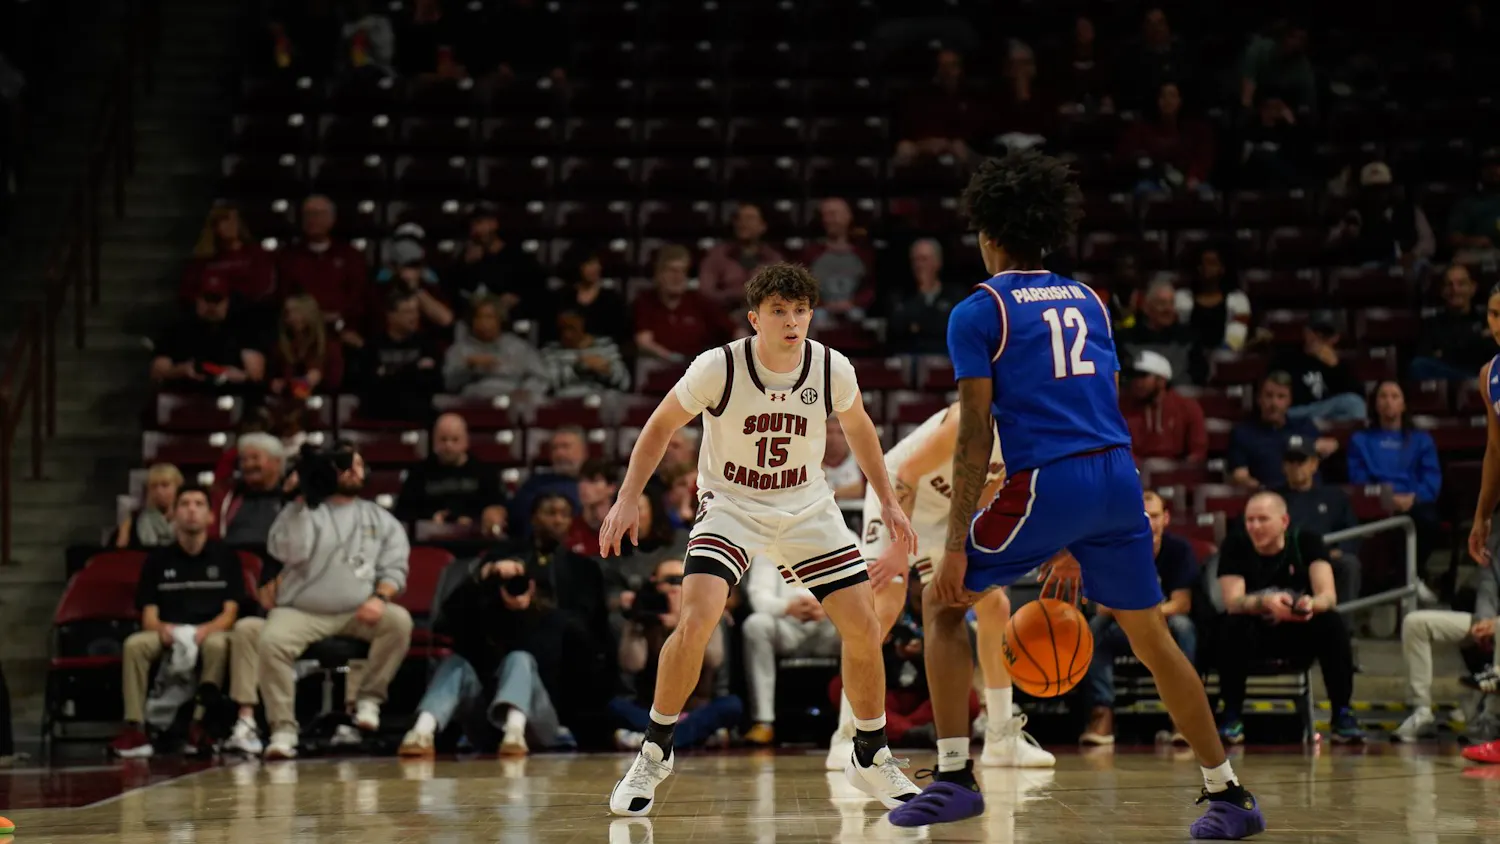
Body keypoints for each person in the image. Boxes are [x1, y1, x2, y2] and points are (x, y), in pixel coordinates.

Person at [891, 151, 1263, 838]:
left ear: (989, 234)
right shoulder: (1089, 298)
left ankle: (952, 778)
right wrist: (1075, 537)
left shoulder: (979, 310)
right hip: (1116, 475)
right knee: (1152, 638)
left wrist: (951, 547)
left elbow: (974, 435)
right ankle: (1230, 794)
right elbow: (1094, 399)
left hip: (1046, 480)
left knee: (941, 606)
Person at [601, 263, 922, 816]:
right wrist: (630, 495)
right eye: (779, 311)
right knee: (697, 618)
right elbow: (659, 425)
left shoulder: (830, 367)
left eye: (801, 311)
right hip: (732, 504)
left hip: (805, 505)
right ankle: (655, 751)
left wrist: (889, 499)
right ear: (756, 319)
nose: (792, 321)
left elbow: (861, 426)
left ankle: (868, 753)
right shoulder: (719, 366)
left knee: (864, 622)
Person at [837, 400, 1053, 774]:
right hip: (896, 494)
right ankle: (847, 737)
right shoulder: (968, 420)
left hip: (944, 514)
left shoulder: (1029, 438)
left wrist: (966, 546)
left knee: (994, 606)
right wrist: (898, 551)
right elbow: (906, 474)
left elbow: (990, 495)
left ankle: (1001, 737)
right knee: (885, 605)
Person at [398, 492, 613, 757]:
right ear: (533, 518)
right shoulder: (497, 561)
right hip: (485, 711)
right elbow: (449, 620)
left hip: (544, 710)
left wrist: (535, 608)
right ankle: (421, 731)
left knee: (520, 660)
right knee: (456, 664)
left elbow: (589, 639)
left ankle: (515, 732)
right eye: (550, 512)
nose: (557, 520)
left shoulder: (583, 570)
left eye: (564, 514)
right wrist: (485, 578)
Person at [248, 442, 414, 760]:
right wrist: (298, 500)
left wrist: (380, 597)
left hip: (359, 609)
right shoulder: (302, 511)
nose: (354, 470)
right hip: (302, 609)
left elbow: (396, 567)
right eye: (344, 464)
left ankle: (368, 699)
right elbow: (288, 552)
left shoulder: (379, 517)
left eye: (359, 465)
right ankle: (283, 728)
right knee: (271, 641)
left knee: (398, 621)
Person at [109, 487, 246, 758]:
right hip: (168, 630)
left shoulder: (226, 556)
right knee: (135, 645)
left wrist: (202, 632)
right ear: (174, 514)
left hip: (210, 631)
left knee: (218, 645)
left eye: (198, 504)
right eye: (184, 504)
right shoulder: (157, 560)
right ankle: (135, 727)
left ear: (209, 515)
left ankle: (199, 723)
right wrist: (167, 631)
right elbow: (148, 617)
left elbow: (230, 614)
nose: (191, 510)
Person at [1215, 492, 1361, 745]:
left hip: (1298, 630)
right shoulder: (1235, 544)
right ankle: (1231, 715)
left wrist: (1308, 604)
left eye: (1263, 519)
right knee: (1230, 625)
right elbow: (1233, 602)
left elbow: (1328, 596)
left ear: (1284, 521)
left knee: (1332, 622)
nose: (1255, 527)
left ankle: (1342, 714)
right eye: (1250, 520)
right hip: (1256, 631)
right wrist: (1265, 602)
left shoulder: (1307, 541)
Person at [1080, 491, 1199, 746]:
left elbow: (1182, 603)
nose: (1147, 521)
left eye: (1154, 515)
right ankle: (1102, 714)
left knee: (1184, 627)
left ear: (1165, 518)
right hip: (1125, 627)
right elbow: (1102, 607)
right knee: (1095, 628)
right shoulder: (1115, 550)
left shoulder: (1178, 550)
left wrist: (1141, 611)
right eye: (1140, 515)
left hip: (1163, 625)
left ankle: (1181, 717)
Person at [609, 558, 743, 751]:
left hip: (696, 709)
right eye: (669, 581)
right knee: (616, 706)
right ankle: (685, 737)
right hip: (652, 710)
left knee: (732, 705)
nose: (675, 588)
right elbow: (632, 664)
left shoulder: (709, 614)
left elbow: (713, 659)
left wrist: (684, 627)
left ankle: (657, 740)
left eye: (681, 580)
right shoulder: (645, 617)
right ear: (655, 584)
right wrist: (636, 622)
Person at [1459, 287, 1500, 764]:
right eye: (1493, 314)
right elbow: (1495, 450)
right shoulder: (1491, 375)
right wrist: (1482, 514)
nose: (1499, 322)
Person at [1393, 557, 1499, 742]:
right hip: (1491, 620)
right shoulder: (1496, 542)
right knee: (1415, 624)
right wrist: (1484, 620)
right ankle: (1421, 712)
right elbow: (1487, 588)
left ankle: (1491, 719)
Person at [740, 555, 842, 746]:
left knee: (856, 628)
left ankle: (852, 720)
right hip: (787, 626)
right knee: (756, 625)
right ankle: (764, 722)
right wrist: (787, 606)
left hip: (828, 626)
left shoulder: (845, 536)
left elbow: (857, 591)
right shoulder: (769, 547)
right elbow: (758, 597)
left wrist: (829, 607)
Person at [1347, 381, 1443, 582]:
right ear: (1374, 404)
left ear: (1404, 404)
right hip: (1376, 504)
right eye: (1383, 396)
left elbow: (1431, 478)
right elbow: (1359, 479)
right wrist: (1388, 498)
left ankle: (1410, 576)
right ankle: (1409, 580)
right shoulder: (1360, 440)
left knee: (1429, 521)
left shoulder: (1421, 440)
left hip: (1413, 502)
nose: (1388, 401)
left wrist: (1413, 497)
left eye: (1394, 396)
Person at [1274, 446, 1362, 603]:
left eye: (1301, 461)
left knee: (1349, 564)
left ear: (1314, 464)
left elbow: (1351, 531)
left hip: (1327, 557)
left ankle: (1342, 625)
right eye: (1291, 462)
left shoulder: (1334, 496)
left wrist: (1340, 550)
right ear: (1283, 467)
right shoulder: (1272, 498)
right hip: (1289, 559)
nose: (1296, 467)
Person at [394, 413, 506, 530]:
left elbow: (497, 511)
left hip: (474, 540)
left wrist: (473, 520)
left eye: (455, 439)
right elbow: (403, 514)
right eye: (443, 439)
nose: (448, 445)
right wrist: (430, 518)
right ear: (434, 441)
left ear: (466, 441)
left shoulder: (486, 473)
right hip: (430, 540)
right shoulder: (418, 474)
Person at [1227, 372, 1334, 490]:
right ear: (1259, 399)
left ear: (1289, 400)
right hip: (1269, 499)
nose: (1274, 403)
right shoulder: (1243, 433)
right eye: (1268, 396)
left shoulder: (1304, 426)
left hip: (1308, 496)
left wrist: (1322, 446)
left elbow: (1329, 446)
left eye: (1281, 397)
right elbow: (1240, 476)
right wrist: (1263, 491)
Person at [443, 296, 549, 399]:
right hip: (473, 403)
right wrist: (468, 367)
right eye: (478, 317)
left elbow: (540, 378)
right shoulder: (459, 350)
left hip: (512, 402)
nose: (483, 323)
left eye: (489, 317)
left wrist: (524, 392)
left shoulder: (519, 347)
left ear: (500, 320)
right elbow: (449, 384)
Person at [1271, 319, 1366, 422]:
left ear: (1335, 338)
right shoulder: (1287, 358)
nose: (1318, 341)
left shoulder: (1338, 362)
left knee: (1355, 406)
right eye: (1316, 334)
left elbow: (1358, 397)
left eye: (1326, 337)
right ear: (1306, 333)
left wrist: (1335, 367)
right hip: (1297, 412)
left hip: (1327, 413)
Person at [1120, 350, 1208, 462]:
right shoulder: (1122, 408)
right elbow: (1122, 451)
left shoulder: (1187, 407)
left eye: (1143, 376)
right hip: (1136, 473)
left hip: (1177, 473)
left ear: (1161, 380)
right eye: (1134, 376)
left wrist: (1180, 472)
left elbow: (1197, 451)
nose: (1137, 381)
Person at [1411, 264, 1489, 381]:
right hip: (1447, 377)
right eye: (1449, 285)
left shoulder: (1487, 319)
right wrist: (1477, 339)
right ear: (1443, 291)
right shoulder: (1432, 323)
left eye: (1461, 284)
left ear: (1472, 288)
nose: (1455, 290)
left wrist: (1446, 352)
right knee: (1418, 365)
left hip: (1482, 378)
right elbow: (1427, 356)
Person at [270, 293, 344, 397]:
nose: (291, 317)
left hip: (320, 401)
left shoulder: (329, 346)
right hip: (287, 402)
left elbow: (336, 382)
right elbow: (272, 375)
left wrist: (320, 377)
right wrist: (276, 383)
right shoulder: (282, 345)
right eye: (288, 313)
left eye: (297, 312)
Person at [115, 463, 184, 549]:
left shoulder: (189, 519)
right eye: (154, 486)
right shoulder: (133, 522)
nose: (159, 491)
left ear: (178, 487)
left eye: (165, 485)